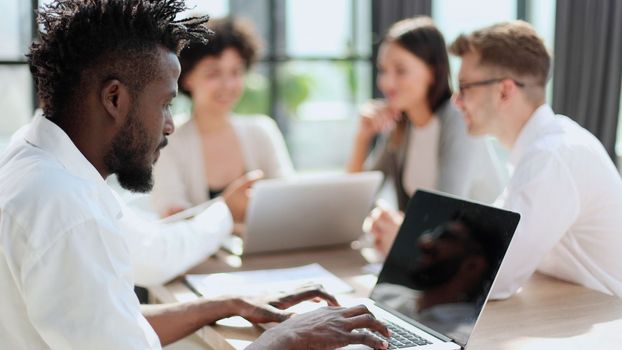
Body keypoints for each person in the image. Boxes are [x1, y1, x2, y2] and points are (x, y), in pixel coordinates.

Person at [0, 1, 390, 349]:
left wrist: (227, 304)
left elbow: (113, 324)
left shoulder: (33, 160)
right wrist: (283, 339)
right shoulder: (68, 212)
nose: (170, 125)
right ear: (114, 98)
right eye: (166, 103)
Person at [448, 20, 622, 298]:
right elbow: (488, 240)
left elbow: (492, 275)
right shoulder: (538, 149)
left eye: (465, 87)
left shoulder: (553, 156)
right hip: (575, 305)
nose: (456, 100)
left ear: (504, 91)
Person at [347, 17, 505, 256]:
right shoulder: (402, 125)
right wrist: (363, 136)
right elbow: (357, 198)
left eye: (400, 71)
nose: (386, 82)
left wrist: (399, 233)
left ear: (432, 71)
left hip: (481, 256)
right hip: (435, 257)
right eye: (383, 70)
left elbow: (447, 215)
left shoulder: (458, 119)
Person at [152, 17, 294, 218]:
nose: (228, 85)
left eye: (236, 72)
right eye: (214, 73)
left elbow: (290, 202)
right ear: (186, 77)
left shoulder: (262, 131)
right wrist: (228, 210)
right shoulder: (168, 142)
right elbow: (172, 219)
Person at [371, 214, 504, 344]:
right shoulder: (383, 294)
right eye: (434, 233)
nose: (424, 241)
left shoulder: (460, 337)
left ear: (472, 266)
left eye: (444, 237)